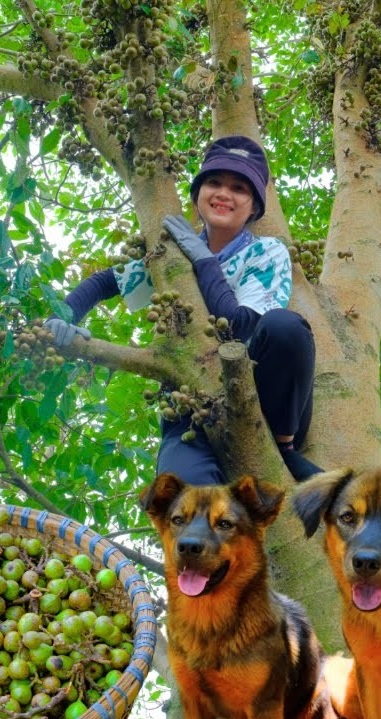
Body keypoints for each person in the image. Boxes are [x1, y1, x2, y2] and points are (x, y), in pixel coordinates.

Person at [44, 135, 322, 485]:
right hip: (192, 406)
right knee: (181, 495)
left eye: (239, 188)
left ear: (253, 207)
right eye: (214, 182)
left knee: (286, 327)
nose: (223, 193)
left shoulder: (266, 253)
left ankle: (283, 449)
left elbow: (235, 327)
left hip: (265, 397)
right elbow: (103, 282)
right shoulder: (173, 258)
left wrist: (204, 260)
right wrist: (60, 319)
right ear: (197, 194)